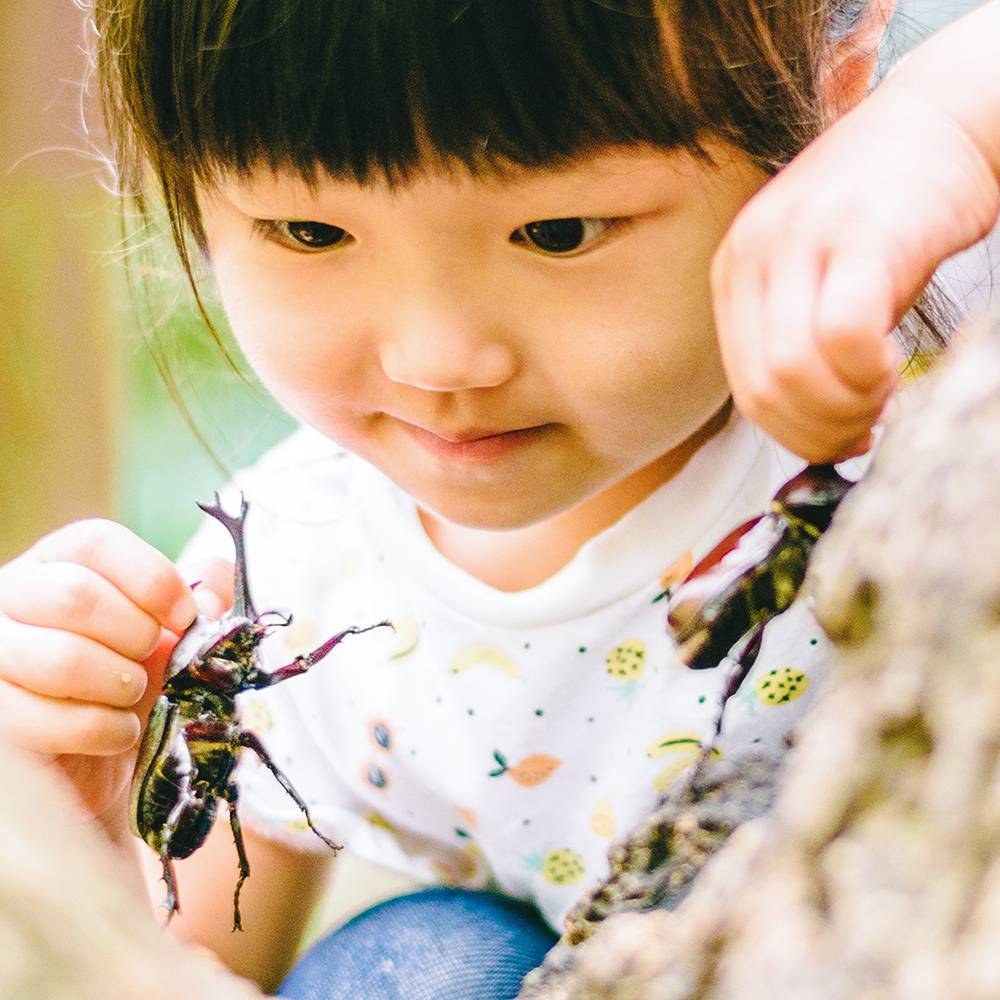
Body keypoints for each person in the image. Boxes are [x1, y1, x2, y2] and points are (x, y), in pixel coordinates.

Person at [1, 0, 998, 996]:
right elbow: (199, 968)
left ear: (832, 83)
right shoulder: (283, 582)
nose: (438, 359)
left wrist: (943, 129)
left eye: (556, 231)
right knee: (429, 965)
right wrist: (74, 839)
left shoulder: (910, 299)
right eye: (309, 229)